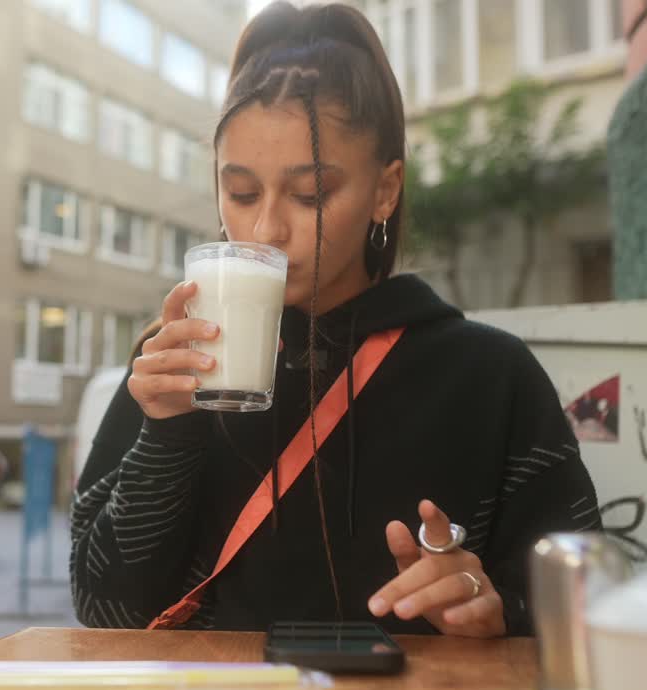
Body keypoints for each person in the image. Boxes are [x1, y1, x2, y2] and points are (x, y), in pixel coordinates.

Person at [70, 2, 601, 639]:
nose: (266, 229)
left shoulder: (488, 375)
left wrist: (491, 608)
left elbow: (584, 601)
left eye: (310, 194)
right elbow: (103, 613)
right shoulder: (171, 368)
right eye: (240, 193)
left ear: (386, 189)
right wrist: (168, 434)